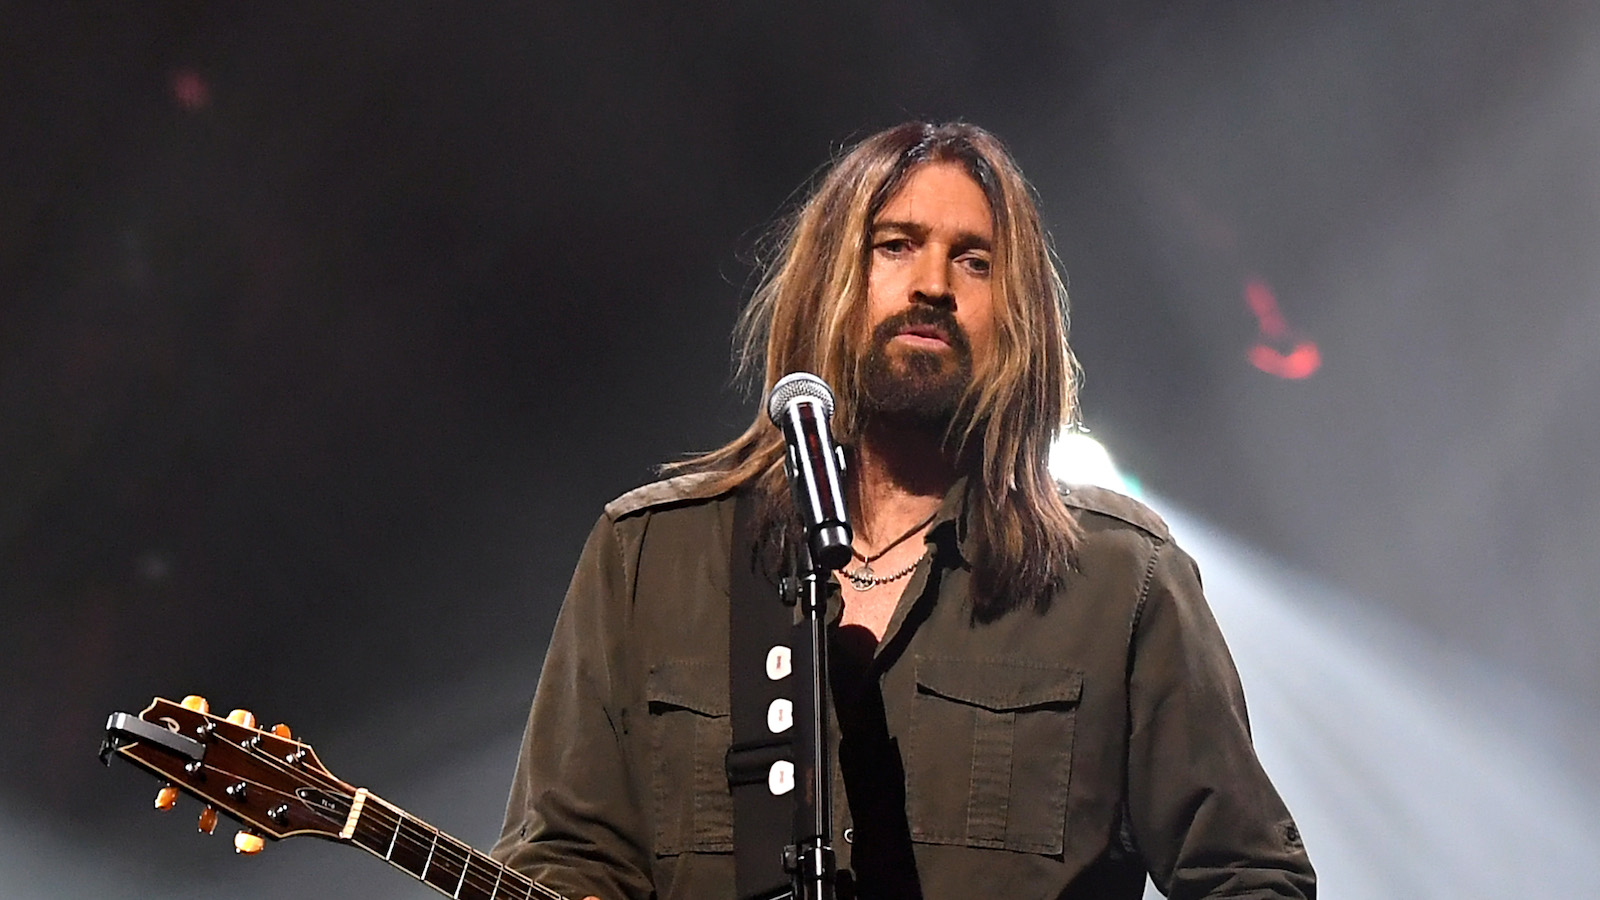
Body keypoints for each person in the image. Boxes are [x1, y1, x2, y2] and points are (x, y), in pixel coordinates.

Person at [490, 122, 1316, 900]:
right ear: (827, 283)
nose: (932, 285)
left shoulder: (1120, 579)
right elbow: (563, 856)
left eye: (975, 262)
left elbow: (1251, 879)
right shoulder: (651, 559)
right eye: (895, 246)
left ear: (1019, 316)